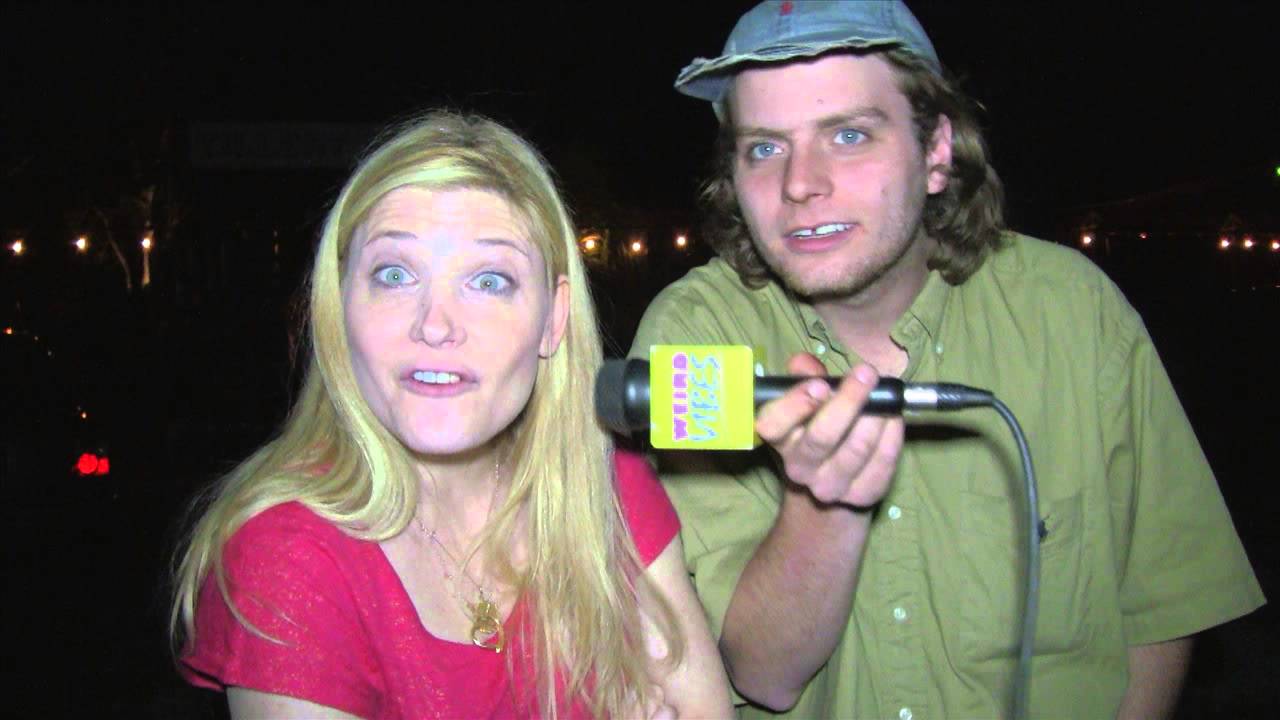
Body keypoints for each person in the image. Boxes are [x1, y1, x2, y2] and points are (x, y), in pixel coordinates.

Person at [628, 2, 1265, 718]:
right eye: (764, 148)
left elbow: (1162, 611)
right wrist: (823, 504)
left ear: (936, 151)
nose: (800, 183)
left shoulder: (1075, 314)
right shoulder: (693, 343)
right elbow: (759, 673)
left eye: (848, 134)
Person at [171, 111, 733, 719]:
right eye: (394, 275)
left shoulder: (606, 486)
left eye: (488, 281)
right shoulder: (287, 556)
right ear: (339, 306)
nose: (435, 326)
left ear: (553, 319)